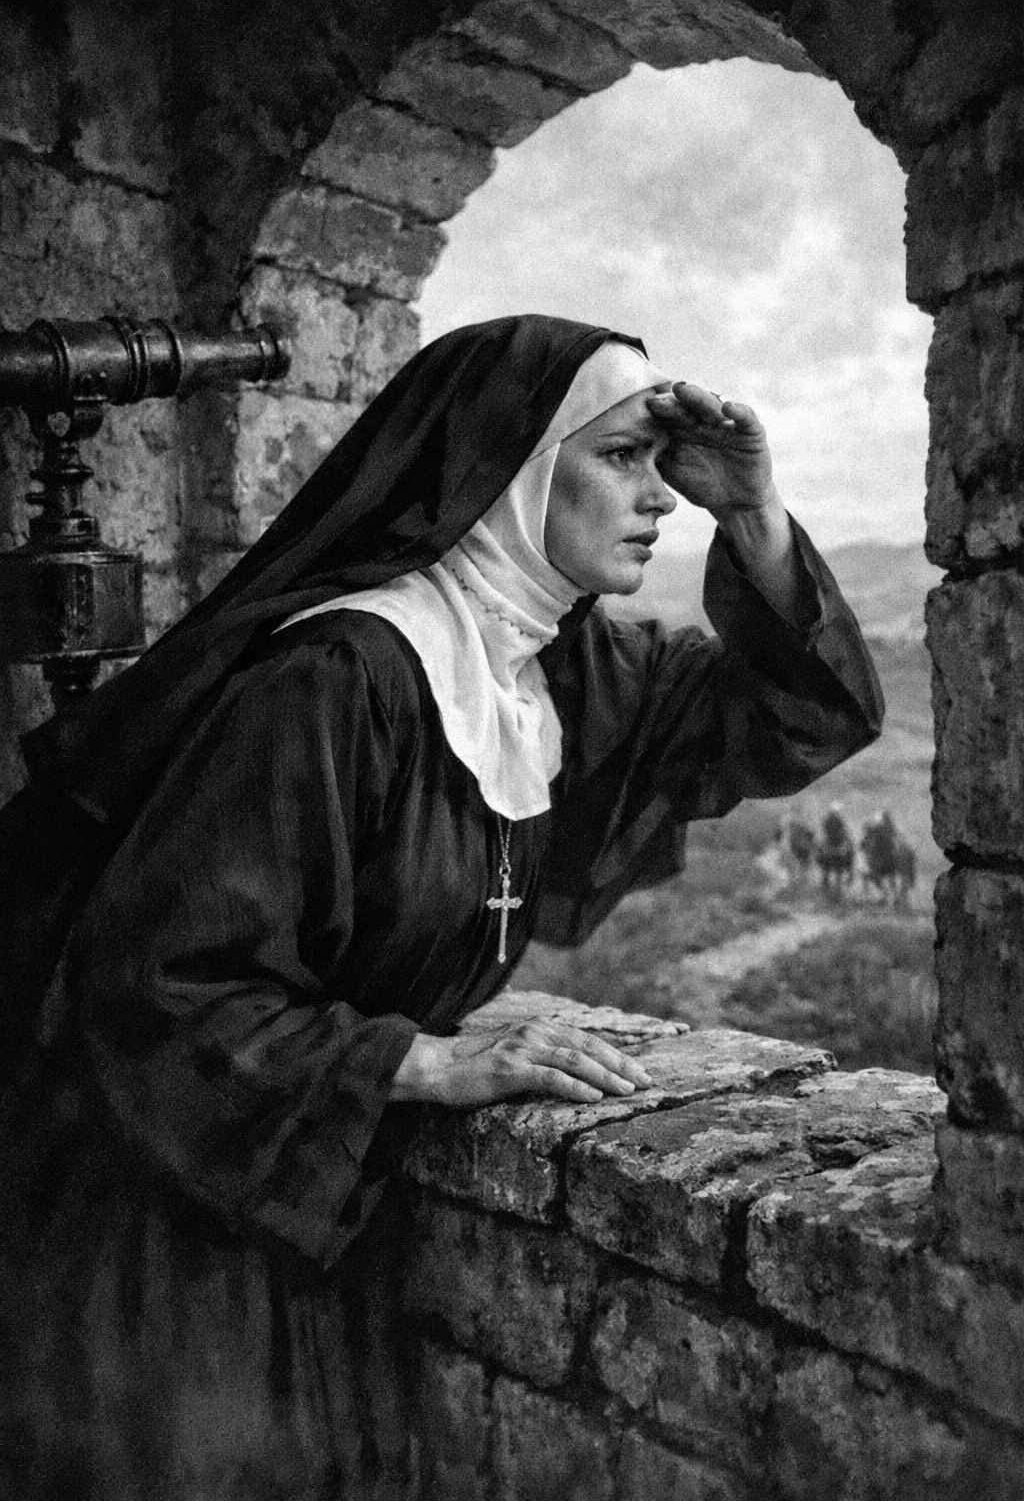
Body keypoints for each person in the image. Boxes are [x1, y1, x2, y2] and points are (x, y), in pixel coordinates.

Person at [0, 315, 883, 1498]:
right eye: (622, 456)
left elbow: (807, 716)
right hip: (173, 1246)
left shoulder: (556, 666)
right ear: (512, 467)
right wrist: (424, 1061)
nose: (659, 496)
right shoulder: (335, 681)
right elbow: (153, 985)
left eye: (660, 465)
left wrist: (755, 514)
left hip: (317, 1215)